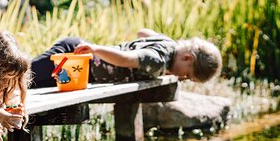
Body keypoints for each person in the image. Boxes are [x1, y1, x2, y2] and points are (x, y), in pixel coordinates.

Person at [30, 28, 222, 88]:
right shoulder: (156, 61)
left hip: (78, 69)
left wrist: (159, 40)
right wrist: (96, 49)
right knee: (24, 73)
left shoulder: (167, 44)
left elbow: (142, 32)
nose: (182, 79)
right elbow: (125, 59)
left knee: (30, 84)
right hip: (73, 55)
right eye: (187, 76)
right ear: (188, 58)